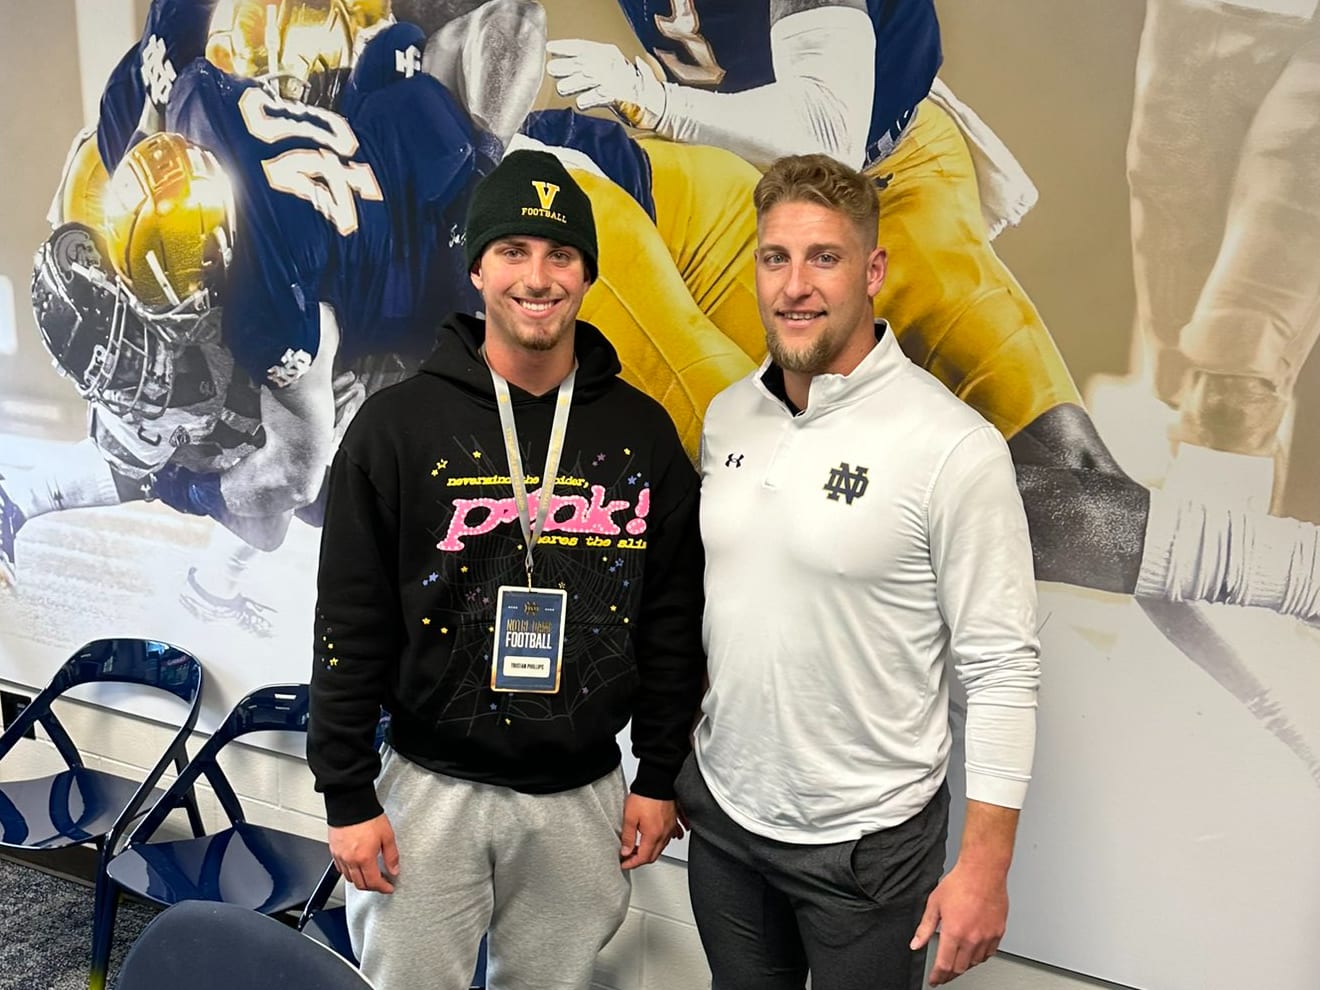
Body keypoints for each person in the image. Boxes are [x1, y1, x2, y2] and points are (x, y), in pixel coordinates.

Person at [307, 149, 706, 990]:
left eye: (560, 254)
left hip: (581, 794)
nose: (538, 276)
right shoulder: (395, 428)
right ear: (478, 266)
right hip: (427, 788)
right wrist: (347, 792)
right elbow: (348, 620)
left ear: (587, 274)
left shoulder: (643, 435)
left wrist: (660, 771)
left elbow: (672, 619)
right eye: (515, 251)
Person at [680, 153, 1040, 990]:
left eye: (824, 258)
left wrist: (985, 870)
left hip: (866, 848)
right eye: (776, 258)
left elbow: (1001, 667)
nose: (794, 286)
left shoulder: (952, 446)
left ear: (872, 269)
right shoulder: (730, 413)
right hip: (729, 826)